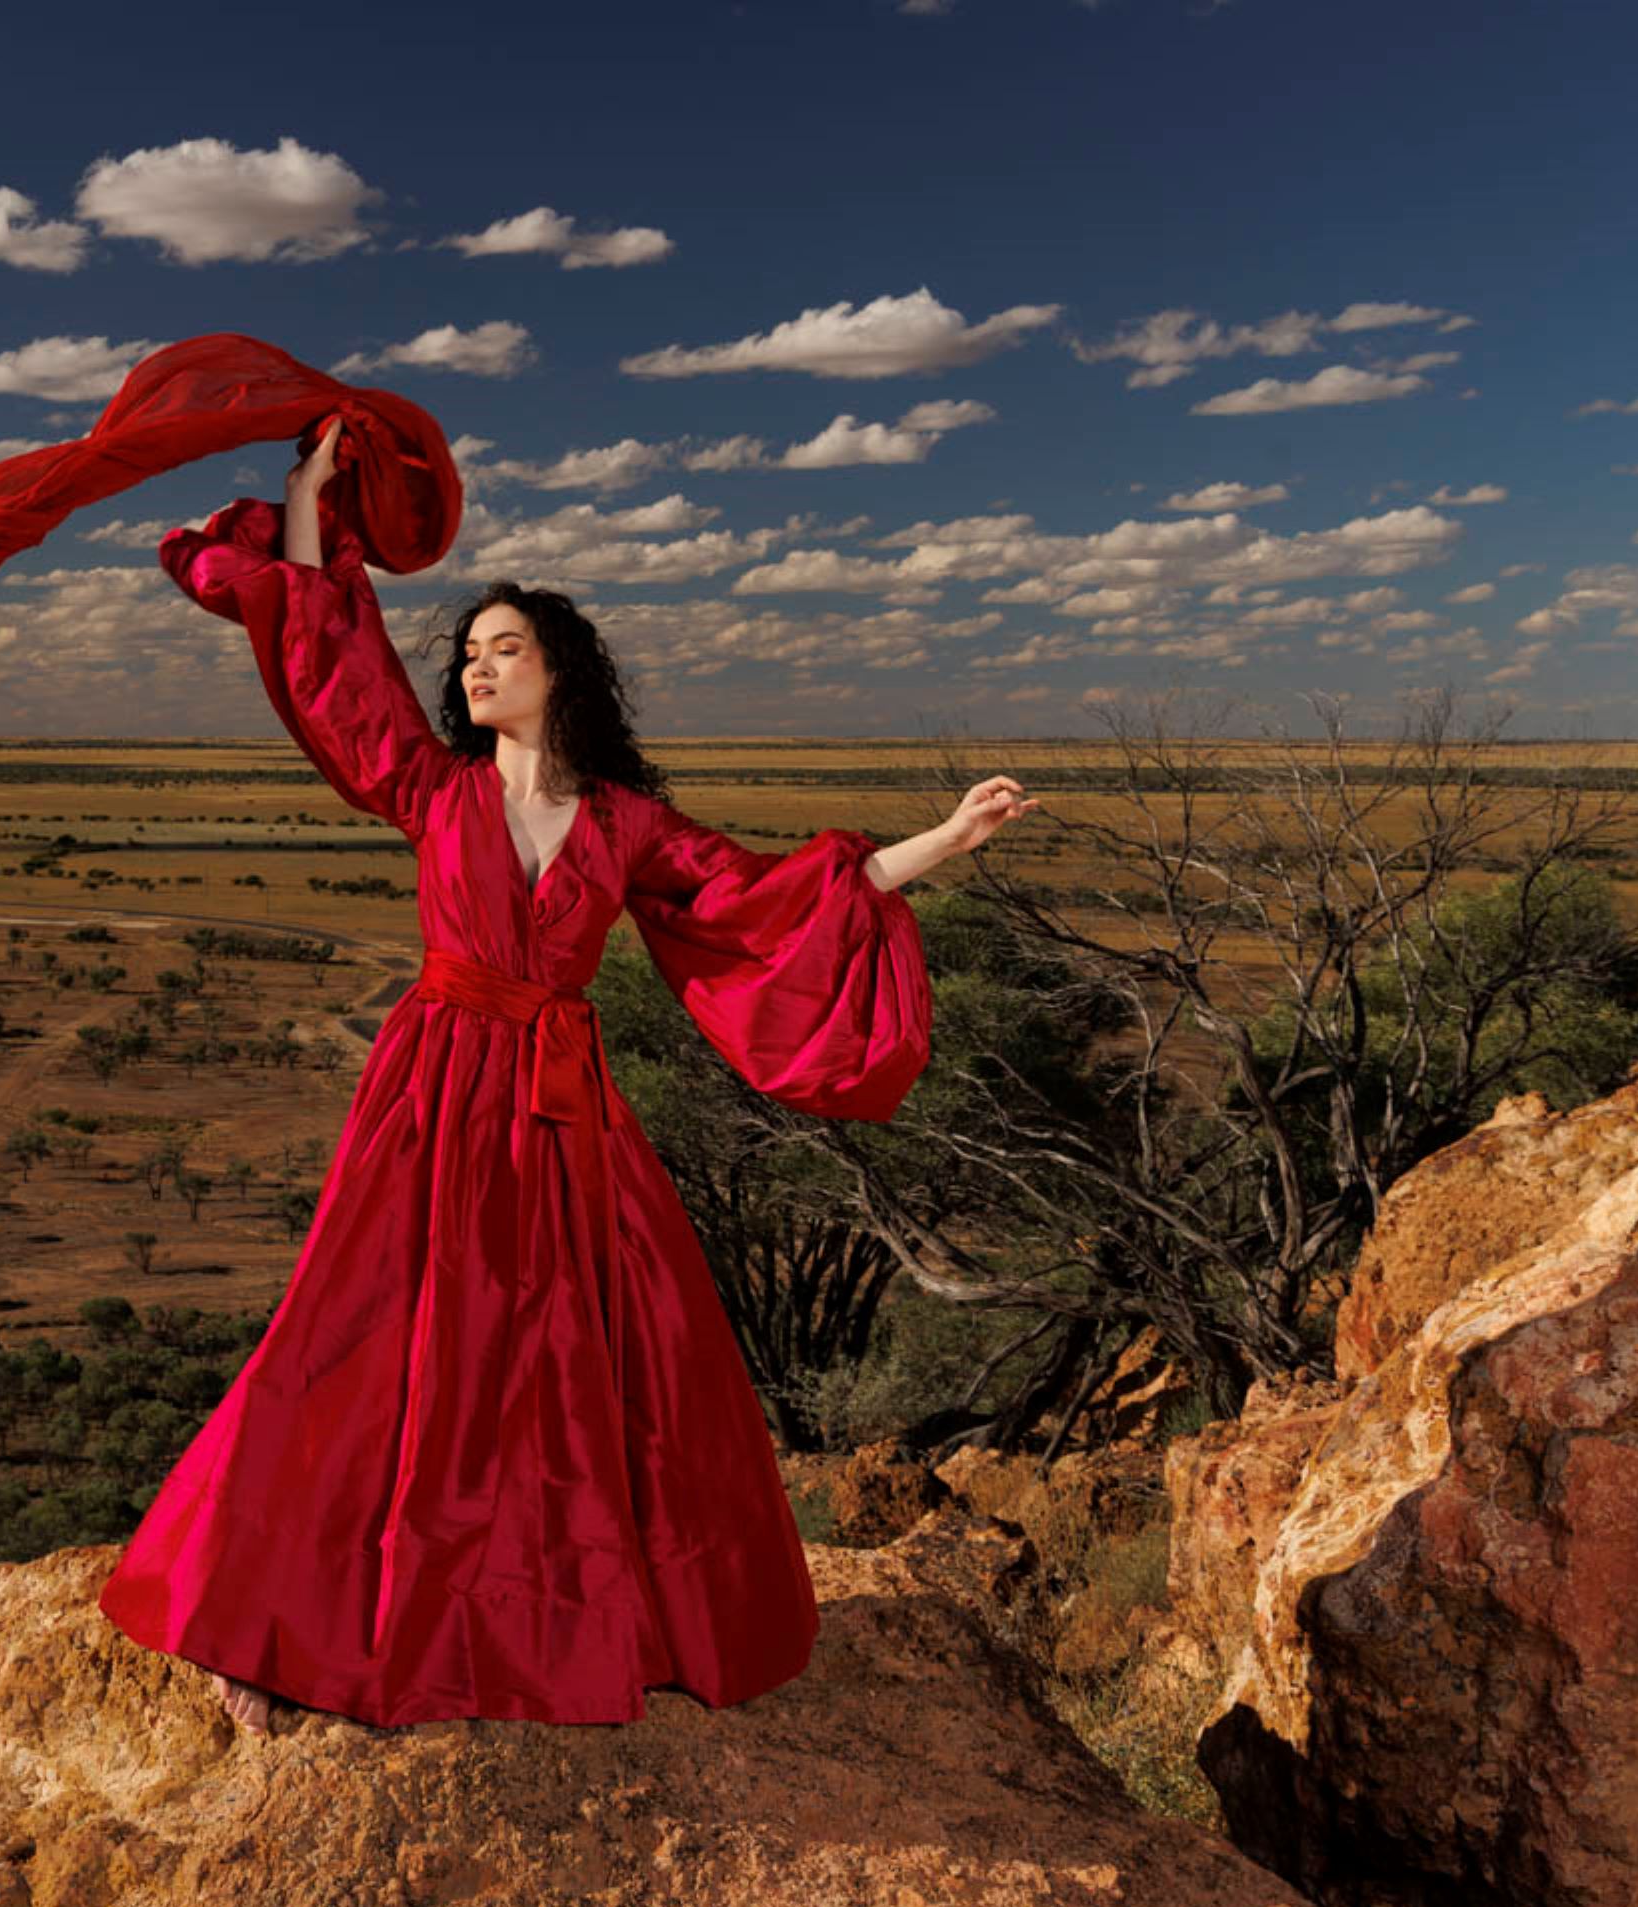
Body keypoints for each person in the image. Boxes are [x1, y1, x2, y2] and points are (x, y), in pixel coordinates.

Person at [95, 415, 1041, 1737]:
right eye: (469, 654)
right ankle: (253, 1616)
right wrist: (310, 498)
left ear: (558, 672)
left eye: (503, 650)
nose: (477, 669)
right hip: (434, 1089)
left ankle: (564, 1620)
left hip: (561, 1107)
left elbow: (765, 905)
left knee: (582, 1361)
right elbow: (327, 659)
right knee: (363, 1339)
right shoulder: (426, 788)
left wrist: (947, 838)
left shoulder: (625, 825)